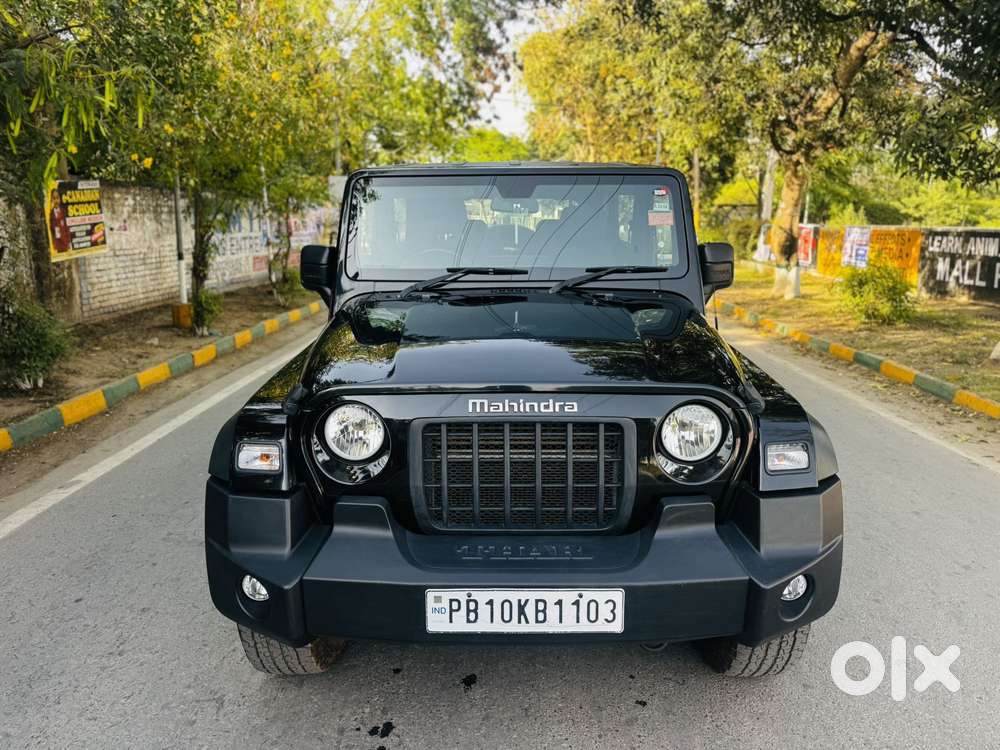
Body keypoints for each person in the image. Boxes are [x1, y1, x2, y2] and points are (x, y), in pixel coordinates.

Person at [48, 189, 71, 254]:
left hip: (65, 242)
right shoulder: (51, 214)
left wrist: (68, 241)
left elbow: (67, 227)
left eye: (57, 198)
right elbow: (52, 230)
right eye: (54, 198)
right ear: (51, 200)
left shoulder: (63, 211)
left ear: (60, 199)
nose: (56, 201)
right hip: (57, 244)